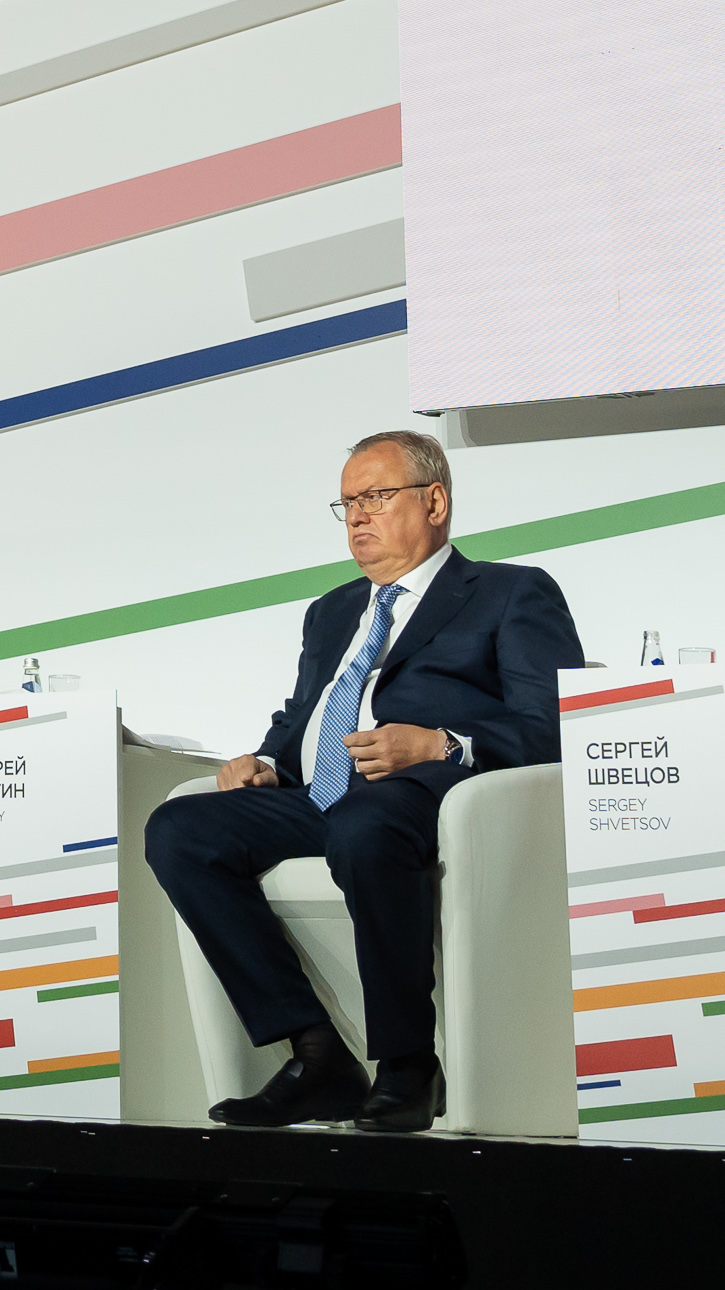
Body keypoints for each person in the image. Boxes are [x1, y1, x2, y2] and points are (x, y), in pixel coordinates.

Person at [147, 430, 578, 1134]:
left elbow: (554, 725)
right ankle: (316, 1053)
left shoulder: (510, 593)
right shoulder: (330, 611)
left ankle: (408, 1065)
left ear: (434, 502)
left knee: (366, 821)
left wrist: (440, 744)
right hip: (321, 795)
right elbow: (301, 715)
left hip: (426, 795)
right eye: (346, 503)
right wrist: (266, 761)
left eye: (376, 497)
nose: (356, 517)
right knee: (179, 828)